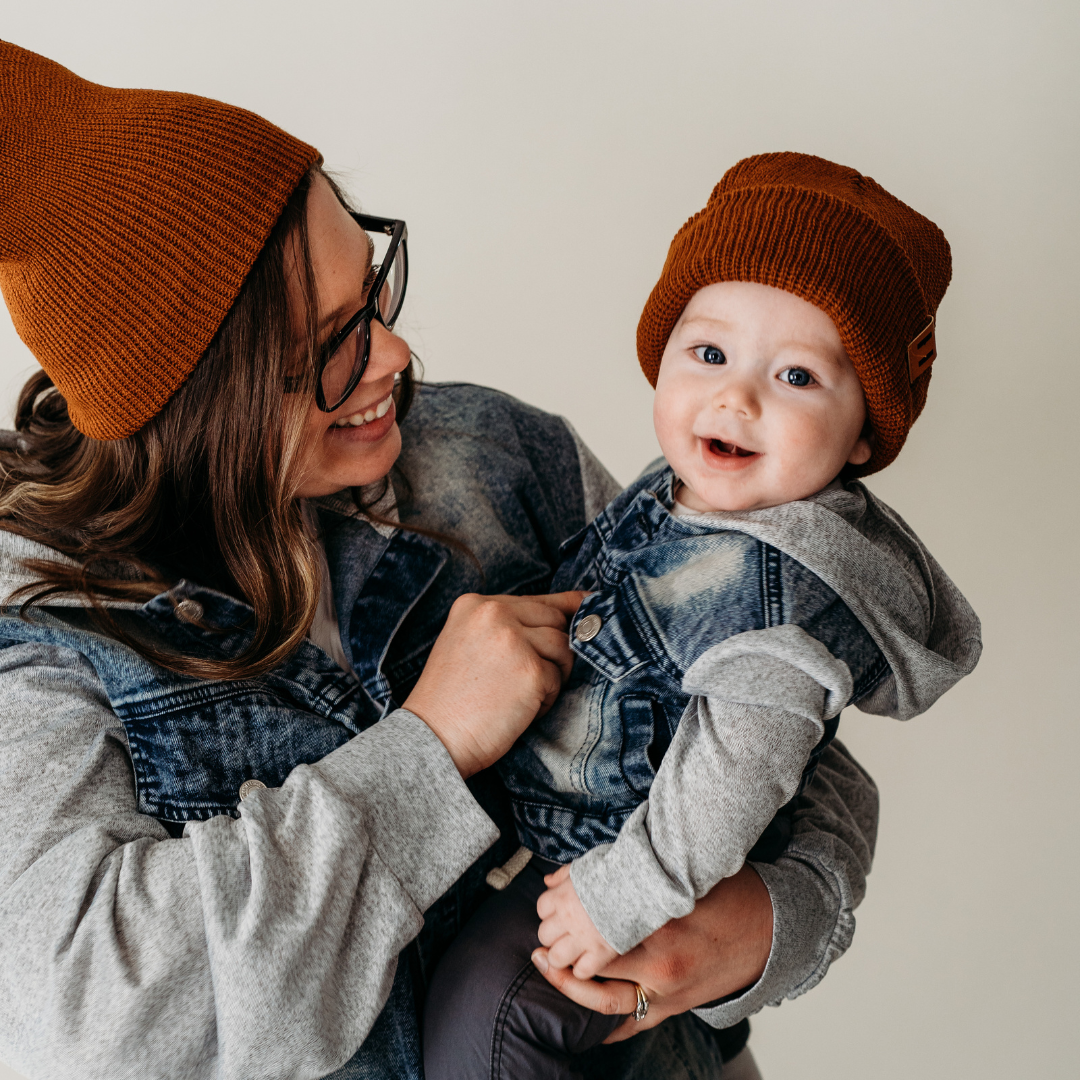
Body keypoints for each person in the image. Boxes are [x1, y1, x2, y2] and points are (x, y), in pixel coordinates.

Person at [0, 45, 878, 1080]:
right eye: (330, 343)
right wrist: (429, 749)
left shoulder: (500, 458)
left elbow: (783, 725)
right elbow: (82, 1019)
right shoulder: (44, 633)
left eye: (371, 286)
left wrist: (766, 932)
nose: (394, 357)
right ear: (196, 404)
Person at [423, 154, 983, 1080]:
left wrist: (622, 894)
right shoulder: (684, 494)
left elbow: (736, 775)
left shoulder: (785, 591)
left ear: (864, 436)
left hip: (618, 871)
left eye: (797, 377)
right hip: (555, 835)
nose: (738, 397)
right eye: (710, 354)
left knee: (484, 1027)